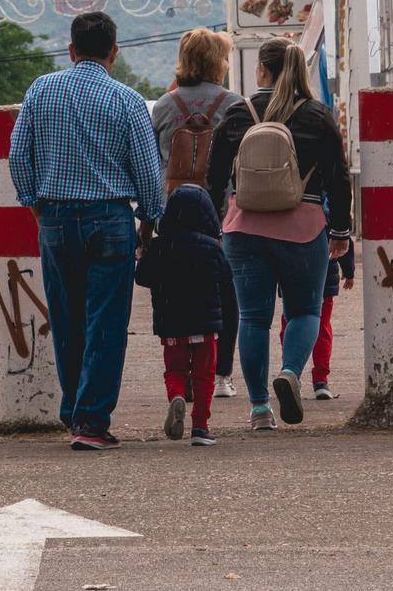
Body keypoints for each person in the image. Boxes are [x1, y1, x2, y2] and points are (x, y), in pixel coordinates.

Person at [9, 10, 166, 451]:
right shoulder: (128, 100)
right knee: (106, 322)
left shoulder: (41, 90)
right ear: (114, 52)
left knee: (65, 319)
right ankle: (91, 421)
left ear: (71, 49)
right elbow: (148, 174)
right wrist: (149, 219)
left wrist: (36, 206)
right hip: (111, 220)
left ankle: (74, 411)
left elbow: (19, 156)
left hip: (56, 219)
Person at [206, 39, 353, 430]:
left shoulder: (238, 114)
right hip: (302, 228)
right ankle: (290, 372)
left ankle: (258, 409)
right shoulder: (317, 116)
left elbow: (214, 179)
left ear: (262, 70)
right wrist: (340, 231)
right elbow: (339, 181)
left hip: (244, 227)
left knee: (254, 319)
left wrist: (217, 225)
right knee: (305, 310)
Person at [149, 27, 247, 400]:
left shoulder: (163, 105)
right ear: (216, 62)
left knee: (174, 292)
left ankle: (180, 372)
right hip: (221, 212)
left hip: (171, 213)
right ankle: (220, 375)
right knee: (226, 293)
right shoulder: (234, 104)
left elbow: (152, 162)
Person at [135, 183, 229, 445]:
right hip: (205, 324)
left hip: (172, 324)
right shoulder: (212, 247)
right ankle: (200, 425)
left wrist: (144, 254)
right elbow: (225, 275)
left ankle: (176, 396)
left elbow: (142, 277)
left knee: (175, 370)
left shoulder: (160, 247)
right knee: (204, 375)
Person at [282, 217, 357, 399]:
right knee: (322, 328)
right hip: (324, 279)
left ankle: (290, 372)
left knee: (289, 325)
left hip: (291, 275)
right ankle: (321, 380)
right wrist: (349, 272)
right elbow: (343, 242)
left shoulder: (286, 213)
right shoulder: (327, 212)